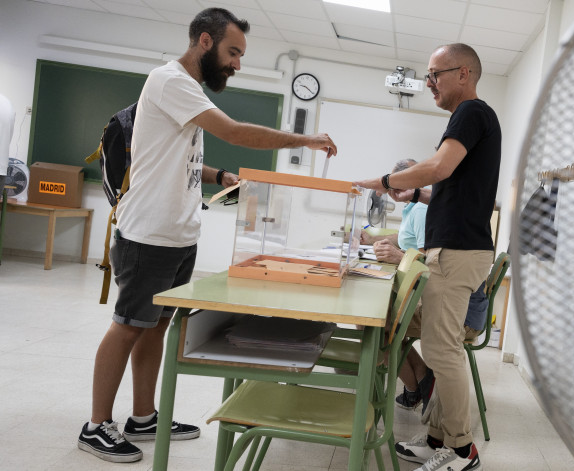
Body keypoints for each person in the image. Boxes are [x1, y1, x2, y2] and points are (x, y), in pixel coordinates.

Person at [77, 8, 338, 463]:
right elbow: (234, 132)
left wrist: (218, 175)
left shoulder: (188, 90)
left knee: (156, 327)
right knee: (126, 327)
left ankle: (143, 416)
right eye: (233, 52)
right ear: (204, 41)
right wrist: (305, 140)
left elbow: (171, 155)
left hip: (178, 235)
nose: (237, 63)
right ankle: (95, 426)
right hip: (149, 236)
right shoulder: (170, 80)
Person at [355, 42, 499, 471]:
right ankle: (437, 437)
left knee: (442, 351)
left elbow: (439, 166)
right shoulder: (470, 119)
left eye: (436, 74)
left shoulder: (471, 113)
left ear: (464, 75)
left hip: (458, 252)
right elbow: (448, 186)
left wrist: (381, 181)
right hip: (451, 249)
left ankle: (460, 450)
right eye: (428, 75)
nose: (429, 83)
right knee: (424, 341)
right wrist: (415, 193)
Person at [364, 159, 489, 412]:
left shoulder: (425, 210)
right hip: (458, 304)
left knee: (377, 321)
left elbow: (427, 265)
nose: (395, 194)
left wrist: (400, 258)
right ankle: (421, 377)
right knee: (382, 318)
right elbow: (412, 245)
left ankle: (416, 385)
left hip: (458, 313)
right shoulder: (424, 208)